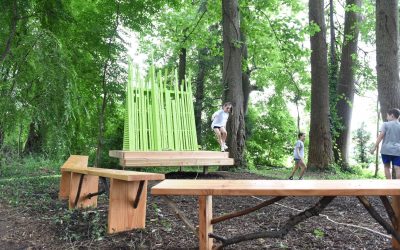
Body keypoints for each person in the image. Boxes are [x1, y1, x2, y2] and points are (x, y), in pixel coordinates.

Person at [370, 108, 400, 179]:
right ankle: (398, 187)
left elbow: (380, 136)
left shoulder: (385, 124)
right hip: (398, 150)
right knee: (397, 168)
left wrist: (374, 147)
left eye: (387, 116)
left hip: (386, 150)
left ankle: (389, 186)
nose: (387, 117)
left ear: (392, 116)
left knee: (387, 167)